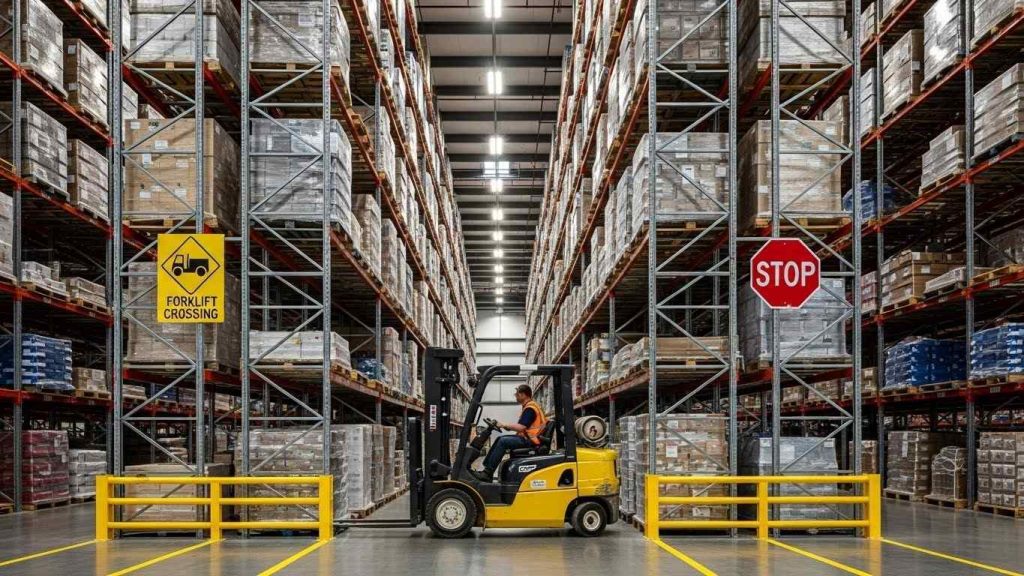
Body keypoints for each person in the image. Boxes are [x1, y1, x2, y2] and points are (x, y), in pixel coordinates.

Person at [473, 384, 547, 482]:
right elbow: (523, 427)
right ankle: (487, 471)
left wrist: (503, 425)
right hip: (528, 438)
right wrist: (506, 427)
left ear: (523, 395)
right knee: (501, 439)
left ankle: (487, 473)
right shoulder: (529, 407)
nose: (515, 396)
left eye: (517, 394)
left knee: (503, 441)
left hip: (531, 441)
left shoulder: (530, 408)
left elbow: (521, 427)